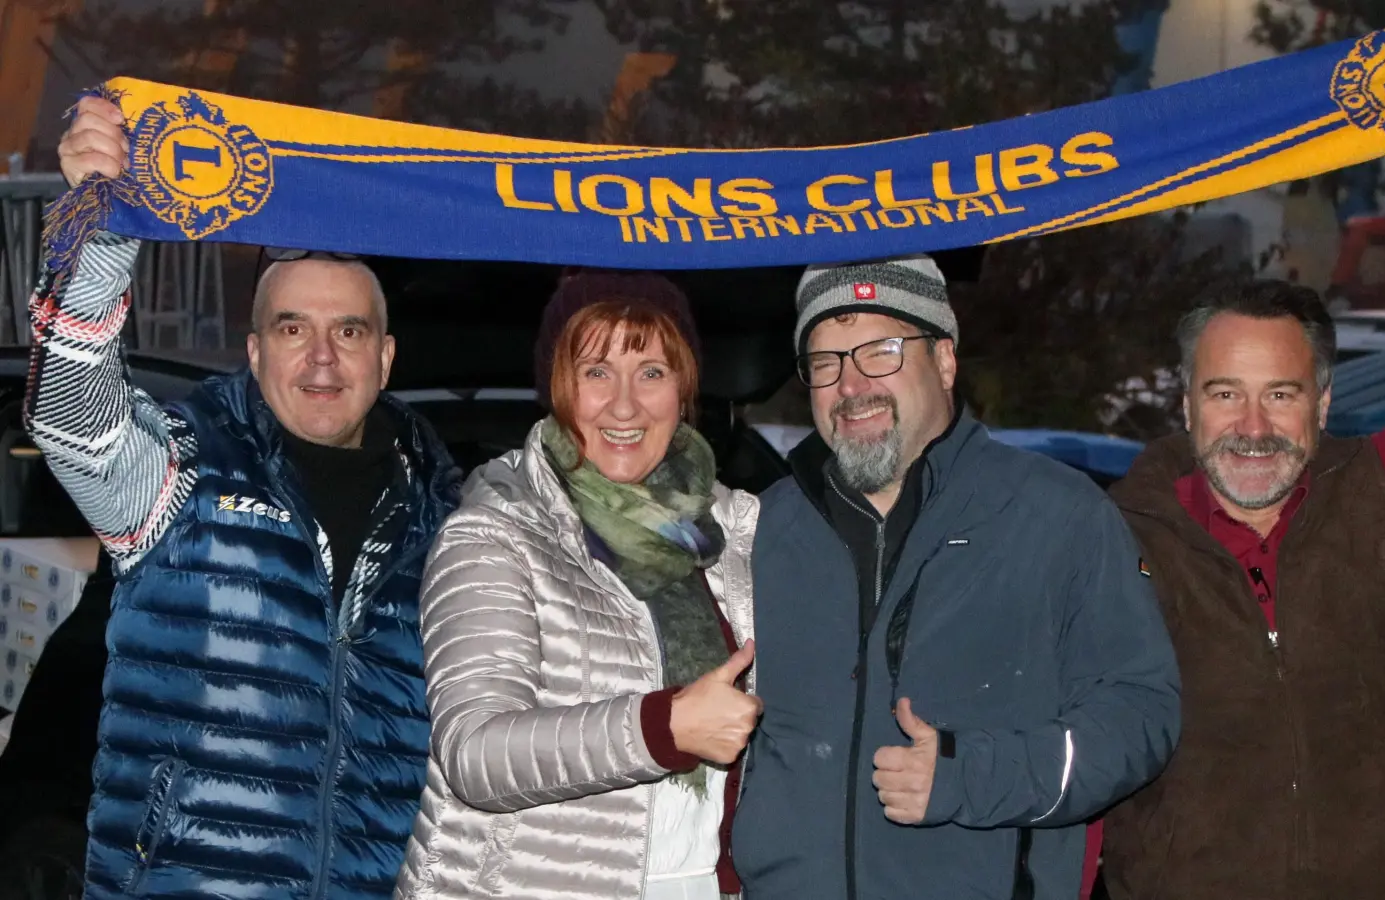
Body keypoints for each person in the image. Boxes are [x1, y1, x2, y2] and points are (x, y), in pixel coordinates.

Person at [1100, 17, 1385, 900]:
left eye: (1280, 395)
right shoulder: (1114, 538)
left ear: (1322, 403)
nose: (1251, 425)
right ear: (1185, 401)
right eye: (1223, 394)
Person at [27, 96, 460, 900]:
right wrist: (106, 224)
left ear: (386, 357)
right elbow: (69, 417)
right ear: (256, 352)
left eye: (351, 332)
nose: (323, 359)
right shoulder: (180, 472)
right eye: (295, 330)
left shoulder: (448, 527)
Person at [732, 254, 1181, 900]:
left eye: (881, 351)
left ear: (944, 360)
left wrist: (970, 776)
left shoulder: (1056, 515)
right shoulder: (762, 528)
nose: (851, 385)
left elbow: (1143, 714)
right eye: (826, 362)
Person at [394, 271, 762, 900]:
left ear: (685, 389)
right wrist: (661, 728)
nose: (625, 405)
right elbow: (474, 753)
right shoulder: (496, 534)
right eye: (596, 371)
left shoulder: (736, 536)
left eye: (652, 372)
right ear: (558, 389)